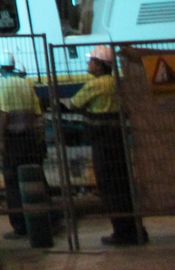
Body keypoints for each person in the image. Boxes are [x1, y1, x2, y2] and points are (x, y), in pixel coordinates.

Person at [62, 45, 147, 247]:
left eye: (91, 60)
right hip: (119, 142)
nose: (88, 63)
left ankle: (122, 233)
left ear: (100, 66)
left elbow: (74, 104)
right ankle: (137, 230)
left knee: (110, 189)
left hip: (103, 144)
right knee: (124, 186)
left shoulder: (96, 85)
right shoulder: (118, 82)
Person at [0, 52, 48, 239]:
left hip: (13, 141)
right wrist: (40, 135)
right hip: (31, 140)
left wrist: (1, 140)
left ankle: (20, 226)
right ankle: (42, 221)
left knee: (13, 184)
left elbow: (3, 115)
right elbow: (37, 112)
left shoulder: (1, 85)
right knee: (35, 179)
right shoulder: (26, 83)